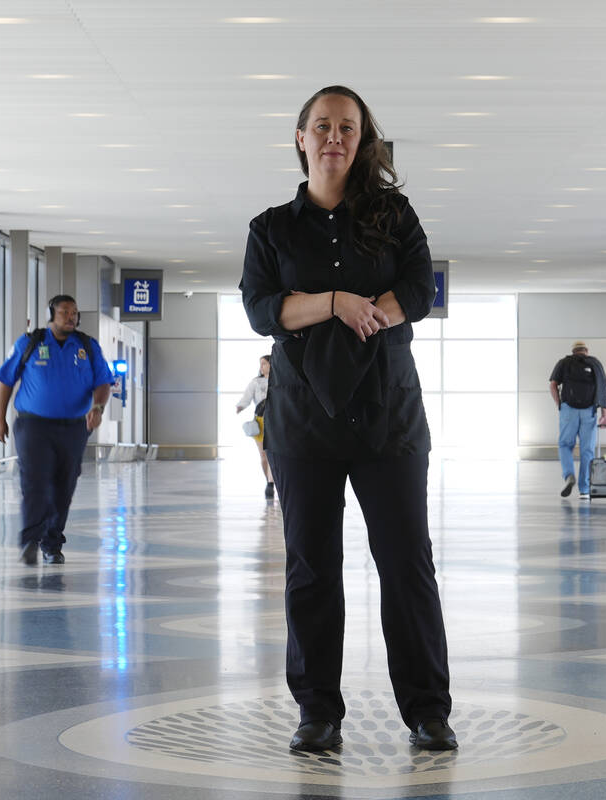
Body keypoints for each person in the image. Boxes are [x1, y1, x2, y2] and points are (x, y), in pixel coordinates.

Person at [240, 85, 455, 753]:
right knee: (311, 566)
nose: (335, 136)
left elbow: (419, 288)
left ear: (361, 141)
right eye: (323, 126)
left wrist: (373, 310)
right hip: (304, 418)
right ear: (301, 138)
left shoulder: (393, 215)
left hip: (388, 416)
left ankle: (427, 710)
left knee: (405, 561)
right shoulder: (271, 228)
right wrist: (335, 301)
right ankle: (317, 711)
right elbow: (261, 309)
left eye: (348, 128)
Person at [0, 295, 113, 566]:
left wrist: (97, 408)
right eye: (64, 312)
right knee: (35, 482)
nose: (70, 317)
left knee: (63, 485)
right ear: (51, 315)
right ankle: (30, 540)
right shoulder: (31, 342)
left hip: (73, 427)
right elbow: (5, 380)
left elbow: (103, 382)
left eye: (74, 312)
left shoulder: (87, 346)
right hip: (33, 425)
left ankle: (52, 543)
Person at [549, 342, 606, 499]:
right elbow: (603, 389)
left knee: (565, 445)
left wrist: (560, 405)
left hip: (568, 410)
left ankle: (569, 475)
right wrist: (604, 415)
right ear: (586, 352)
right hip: (589, 411)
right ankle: (584, 490)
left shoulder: (564, 362)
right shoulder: (595, 363)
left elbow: (553, 385)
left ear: (573, 351)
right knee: (587, 450)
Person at [236, 355, 275, 499]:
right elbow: (247, 397)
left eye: (265, 363)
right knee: (264, 455)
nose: (262, 367)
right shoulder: (256, 382)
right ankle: (268, 480)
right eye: (261, 364)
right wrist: (240, 406)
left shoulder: (280, 380)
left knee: (272, 454)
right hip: (260, 421)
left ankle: (271, 484)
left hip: (276, 421)